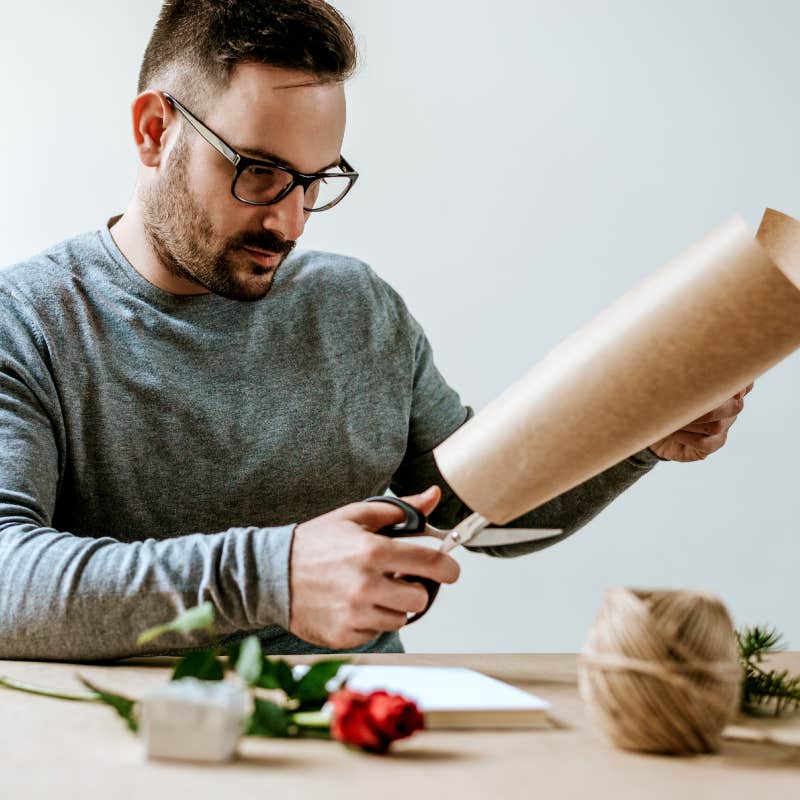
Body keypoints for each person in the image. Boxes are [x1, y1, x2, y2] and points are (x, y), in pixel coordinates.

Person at [0, 0, 750, 661]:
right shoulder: (29, 321)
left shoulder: (356, 306)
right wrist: (273, 578)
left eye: (314, 181)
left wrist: (642, 432)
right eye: (257, 172)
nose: (288, 221)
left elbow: (478, 511)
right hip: (141, 743)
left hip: (370, 729)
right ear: (155, 129)